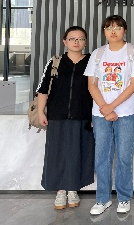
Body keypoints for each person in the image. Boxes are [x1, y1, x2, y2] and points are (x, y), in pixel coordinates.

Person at [85, 15, 134, 216]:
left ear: (124, 31)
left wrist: (112, 106)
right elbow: (91, 85)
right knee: (102, 156)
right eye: (109, 28)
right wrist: (105, 108)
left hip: (126, 113)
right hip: (100, 114)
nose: (113, 31)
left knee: (124, 157)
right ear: (104, 31)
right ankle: (102, 199)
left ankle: (124, 197)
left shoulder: (133, 52)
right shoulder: (98, 54)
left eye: (118, 28)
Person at [37, 26, 94, 210]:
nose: (76, 42)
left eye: (80, 39)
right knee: (57, 154)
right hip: (57, 115)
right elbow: (43, 89)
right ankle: (60, 191)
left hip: (83, 115)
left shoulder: (92, 62)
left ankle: (73, 189)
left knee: (78, 153)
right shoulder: (55, 62)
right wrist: (41, 112)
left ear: (85, 42)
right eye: (72, 39)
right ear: (65, 41)